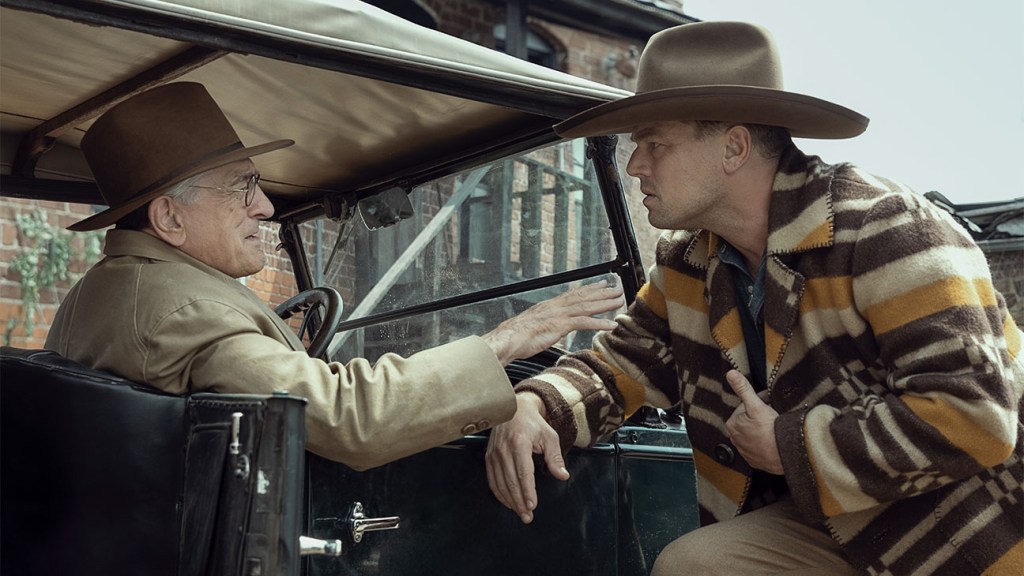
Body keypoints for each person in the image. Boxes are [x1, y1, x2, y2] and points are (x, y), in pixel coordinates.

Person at [484, 21, 1023, 576]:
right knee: (696, 566)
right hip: (833, 520)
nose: (635, 164)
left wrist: (792, 445)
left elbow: (974, 415)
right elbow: (618, 368)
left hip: (965, 529)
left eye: (655, 144)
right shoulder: (689, 262)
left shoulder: (886, 227)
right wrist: (534, 404)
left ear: (734, 148)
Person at [45, 82, 624, 470]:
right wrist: (506, 341)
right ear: (170, 218)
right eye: (243, 187)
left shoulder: (108, 291)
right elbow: (351, 420)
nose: (265, 207)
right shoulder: (189, 310)